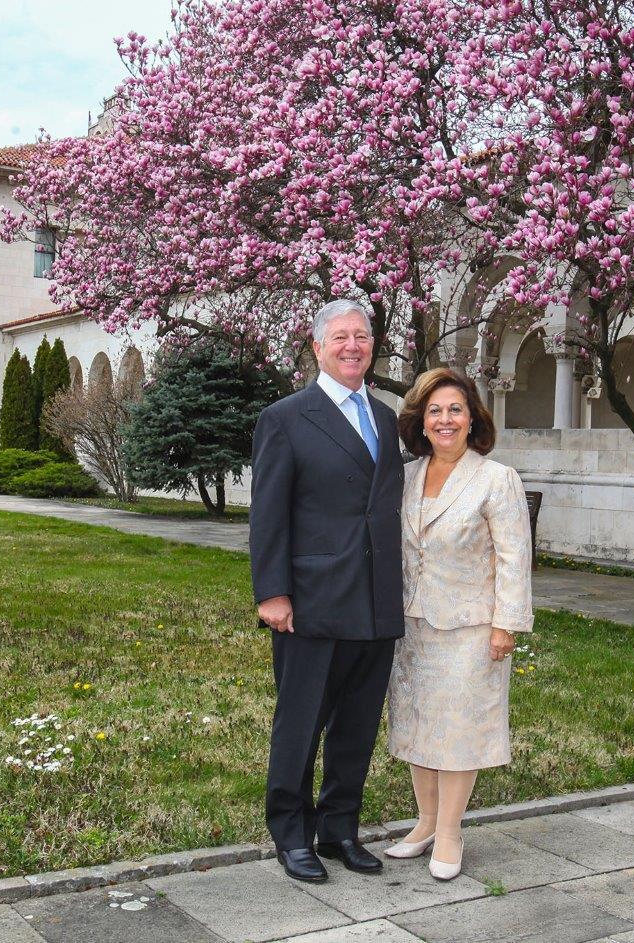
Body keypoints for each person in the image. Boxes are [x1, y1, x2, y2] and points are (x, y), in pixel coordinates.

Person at [249, 299, 405, 883]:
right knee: (301, 721)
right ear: (317, 347)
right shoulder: (287, 417)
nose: (352, 346)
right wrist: (272, 592)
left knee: (358, 724)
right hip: (311, 600)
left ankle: (339, 828)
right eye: (339, 337)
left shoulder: (387, 419)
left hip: (375, 600)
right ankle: (291, 834)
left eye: (361, 337)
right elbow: (268, 513)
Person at [384, 367, 533, 880]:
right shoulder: (403, 477)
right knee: (416, 725)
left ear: (472, 419)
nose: (444, 419)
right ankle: (424, 823)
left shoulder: (497, 479)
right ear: (421, 422)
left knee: (458, 730)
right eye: (434, 411)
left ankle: (450, 832)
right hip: (410, 625)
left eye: (455, 410)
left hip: (471, 627)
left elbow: (515, 558)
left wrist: (505, 625)